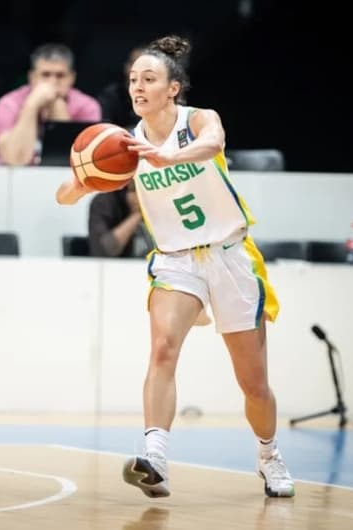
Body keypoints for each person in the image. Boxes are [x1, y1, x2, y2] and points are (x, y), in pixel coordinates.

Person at [55, 35, 294, 499]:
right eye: (132, 80)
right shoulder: (124, 147)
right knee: (163, 349)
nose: (138, 88)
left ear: (173, 88)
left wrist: (172, 155)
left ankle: (268, 453)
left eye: (149, 79)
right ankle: (157, 458)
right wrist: (82, 182)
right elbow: (62, 195)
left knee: (254, 384)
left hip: (229, 256)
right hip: (175, 260)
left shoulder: (198, 120)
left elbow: (213, 143)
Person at [0, 43, 101, 166]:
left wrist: (57, 105)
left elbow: (76, 162)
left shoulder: (87, 106)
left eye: (60, 75)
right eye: (45, 75)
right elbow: (14, 159)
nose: (52, 82)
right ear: (32, 77)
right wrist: (31, 106)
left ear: (71, 78)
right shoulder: (8, 104)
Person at [88, 180, 152, 258]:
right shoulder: (106, 202)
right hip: (117, 267)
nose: (140, 197)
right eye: (135, 190)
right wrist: (137, 215)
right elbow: (102, 251)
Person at [96, 45, 145, 130]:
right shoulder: (110, 95)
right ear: (126, 66)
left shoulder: (161, 97)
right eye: (133, 63)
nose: (138, 69)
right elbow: (103, 128)